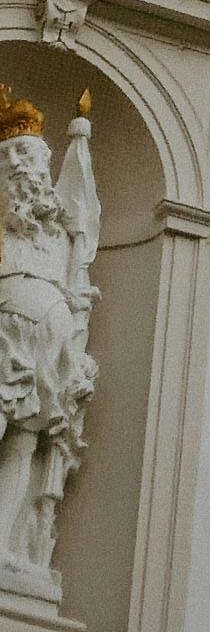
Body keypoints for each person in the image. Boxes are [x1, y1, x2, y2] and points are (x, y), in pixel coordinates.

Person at [0, 87, 96, 597]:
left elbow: (75, 270)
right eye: (15, 157)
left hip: (51, 340)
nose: (26, 169)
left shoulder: (56, 227)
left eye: (33, 158)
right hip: (5, 326)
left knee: (25, 439)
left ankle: (3, 547)